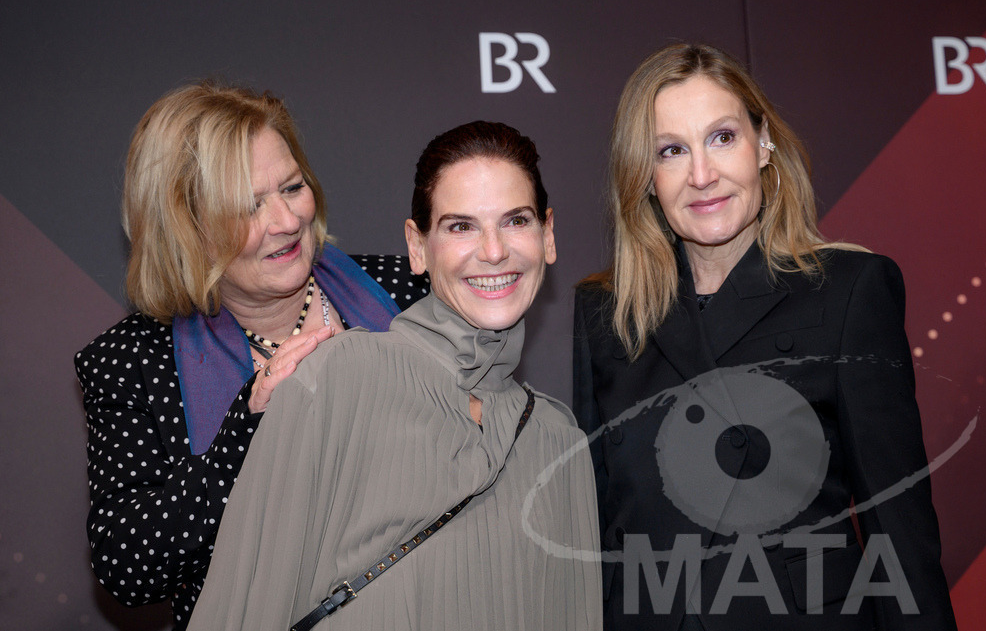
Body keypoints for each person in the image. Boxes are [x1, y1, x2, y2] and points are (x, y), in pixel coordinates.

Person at [573, 43, 957, 630]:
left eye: (722, 138)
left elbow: (896, 523)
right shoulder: (604, 313)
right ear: (645, 179)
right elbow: (597, 533)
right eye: (671, 151)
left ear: (764, 144)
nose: (703, 175)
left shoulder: (849, 290)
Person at [186, 121, 602, 631]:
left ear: (548, 235)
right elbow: (240, 614)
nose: (493, 251)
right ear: (418, 245)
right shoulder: (337, 379)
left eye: (516, 221)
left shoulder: (560, 442)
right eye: (460, 226)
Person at [75, 83, 429, 630]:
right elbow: (128, 566)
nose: (286, 221)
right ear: (184, 227)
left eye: (292, 187)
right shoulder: (132, 360)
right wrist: (246, 434)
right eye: (248, 206)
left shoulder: (407, 289)